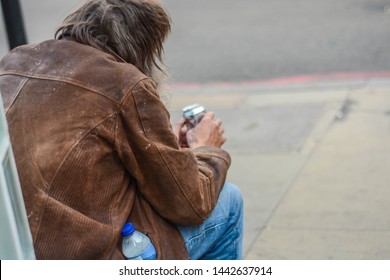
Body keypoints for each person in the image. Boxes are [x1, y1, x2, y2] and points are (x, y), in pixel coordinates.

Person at [0, 0, 243, 260]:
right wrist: (205, 149)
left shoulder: (14, 61)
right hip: (83, 258)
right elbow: (190, 204)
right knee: (229, 202)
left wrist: (166, 143)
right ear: (144, 47)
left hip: (17, 248)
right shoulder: (125, 83)